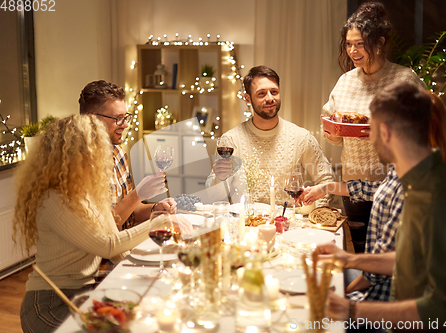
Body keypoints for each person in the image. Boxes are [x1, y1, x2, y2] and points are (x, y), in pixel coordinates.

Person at [318, 82, 446, 330]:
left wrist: (352, 309)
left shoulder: (439, 197)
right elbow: (410, 261)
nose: (369, 137)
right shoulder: (417, 179)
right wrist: (348, 259)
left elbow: (441, 311)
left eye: (371, 129)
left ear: (386, 133)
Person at [13, 115, 172, 332]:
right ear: (75, 155)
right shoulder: (53, 198)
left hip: (82, 295)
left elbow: (116, 249)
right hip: (49, 303)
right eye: (97, 149)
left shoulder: (88, 191)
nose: (104, 156)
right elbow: (107, 245)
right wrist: (160, 222)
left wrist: (145, 274)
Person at [298, 90, 446, 302]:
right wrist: (326, 187)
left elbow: (379, 272)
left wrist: (339, 295)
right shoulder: (407, 168)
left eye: (375, 129)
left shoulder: (413, 191)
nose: (370, 137)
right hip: (377, 281)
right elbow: (376, 189)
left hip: (386, 298)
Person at [322, 2, 424, 234]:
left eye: (360, 44)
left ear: (379, 43)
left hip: (395, 185)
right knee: (360, 248)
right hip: (354, 185)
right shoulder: (345, 81)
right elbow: (335, 133)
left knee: (394, 255)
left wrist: (383, 134)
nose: (353, 51)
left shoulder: (404, 79)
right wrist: (333, 133)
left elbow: (425, 132)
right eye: (348, 44)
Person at [207, 65, 334, 206]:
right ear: (248, 99)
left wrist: (314, 215)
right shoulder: (230, 140)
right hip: (246, 223)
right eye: (261, 94)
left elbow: (327, 180)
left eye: (274, 92)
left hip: (288, 225)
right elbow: (214, 197)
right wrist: (219, 178)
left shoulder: (301, 138)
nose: (270, 98)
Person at [79, 80, 176, 229]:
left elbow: (129, 212)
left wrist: (156, 209)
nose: (125, 124)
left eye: (125, 117)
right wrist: (137, 195)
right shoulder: (78, 165)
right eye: (117, 118)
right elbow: (101, 230)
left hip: (125, 245)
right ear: (92, 119)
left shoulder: (118, 153)